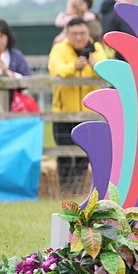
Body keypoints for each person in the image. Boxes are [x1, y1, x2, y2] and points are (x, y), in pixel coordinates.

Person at [48, 17, 109, 195]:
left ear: (88, 33)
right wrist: (74, 66)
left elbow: (106, 70)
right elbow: (55, 69)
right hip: (64, 112)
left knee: (85, 155)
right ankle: (65, 191)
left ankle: (81, 190)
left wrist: (94, 63)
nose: (79, 37)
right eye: (74, 34)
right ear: (67, 34)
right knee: (65, 154)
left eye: (82, 33)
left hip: (90, 113)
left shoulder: (96, 49)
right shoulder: (59, 49)